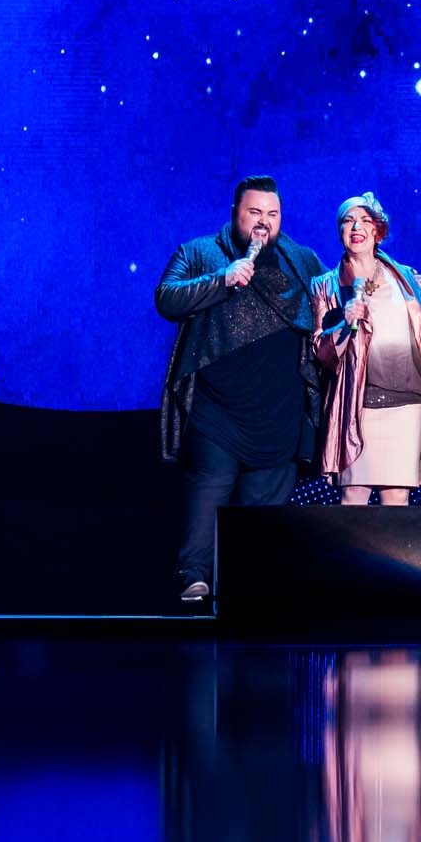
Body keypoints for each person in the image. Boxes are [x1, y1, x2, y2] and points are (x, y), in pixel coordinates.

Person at [157, 176, 327, 608]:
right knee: (207, 496)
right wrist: (222, 279)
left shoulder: (302, 259)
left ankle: (251, 593)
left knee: (260, 524)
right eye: (254, 213)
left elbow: (333, 303)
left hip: (278, 413)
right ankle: (194, 580)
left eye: (272, 214)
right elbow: (166, 298)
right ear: (236, 213)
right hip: (216, 411)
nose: (263, 222)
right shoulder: (200, 252)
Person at [310, 192, 421, 504]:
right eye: (348, 221)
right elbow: (321, 352)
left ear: (377, 230)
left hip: (405, 405)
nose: (356, 227)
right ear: (340, 231)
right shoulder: (325, 286)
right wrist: (344, 324)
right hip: (356, 406)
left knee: (396, 499)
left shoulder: (406, 278)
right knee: (353, 496)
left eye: (364, 220)